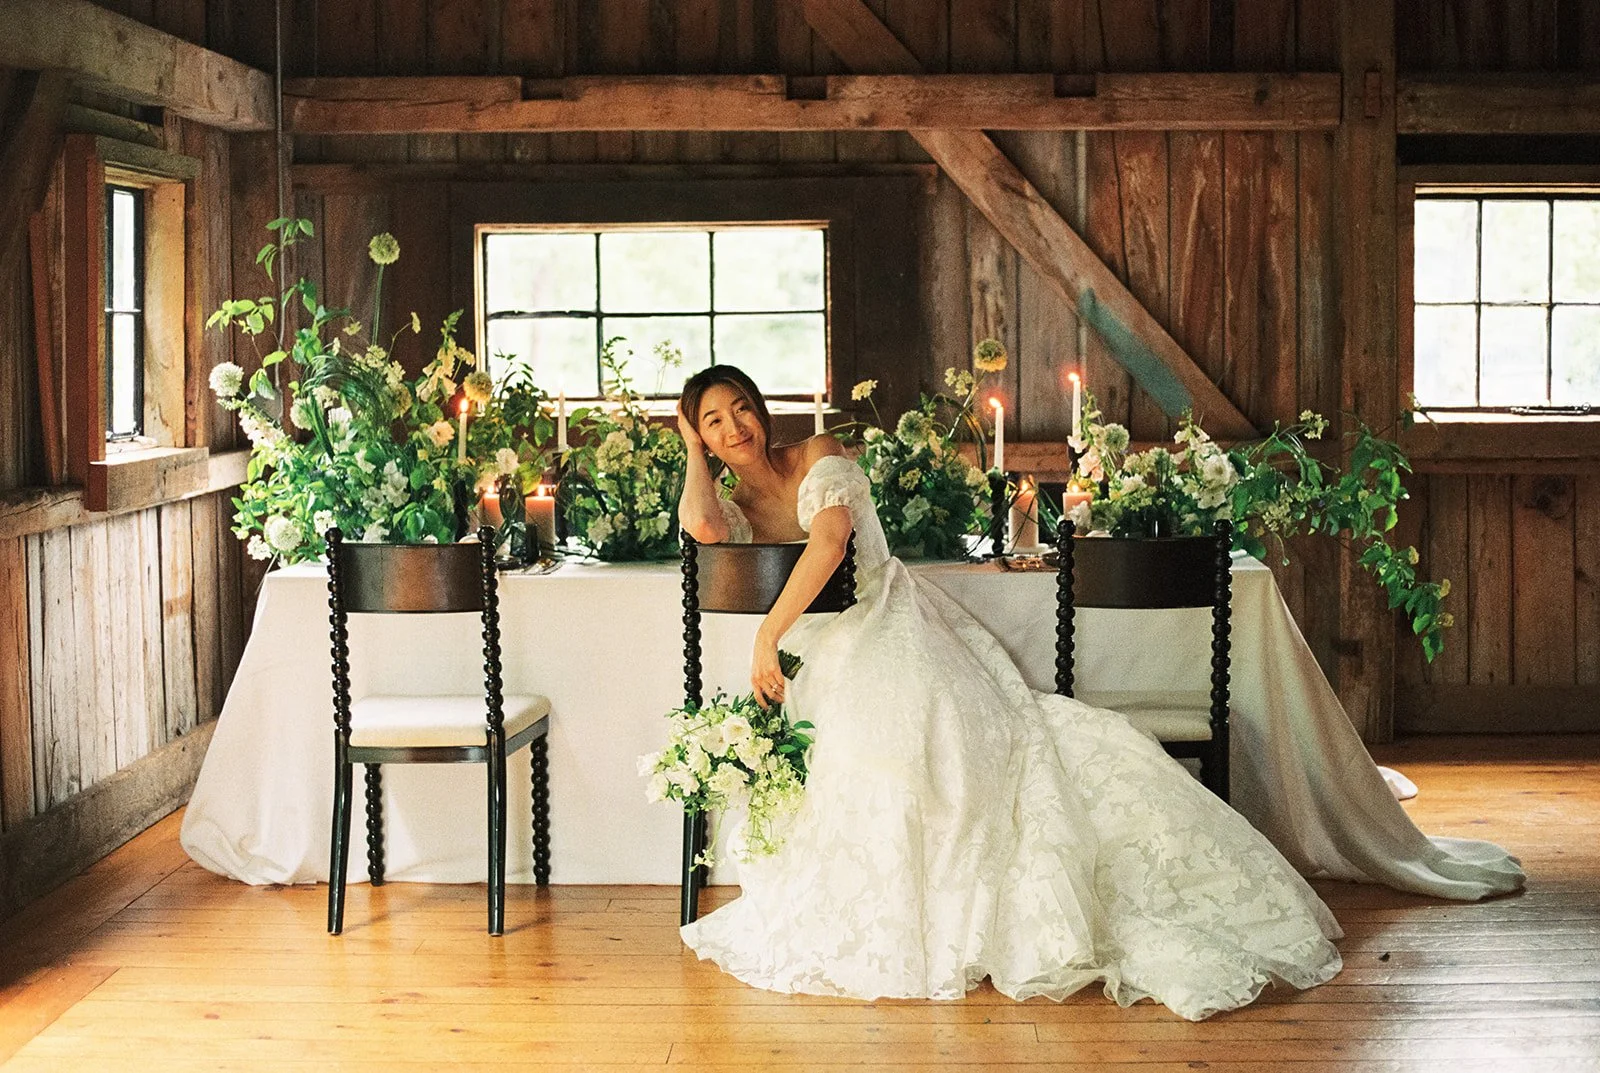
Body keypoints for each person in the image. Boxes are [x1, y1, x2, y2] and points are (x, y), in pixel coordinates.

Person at [673, 365, 1342, 1021]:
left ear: (760, 408)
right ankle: (890, 906)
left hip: (881, 616)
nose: (735, 426)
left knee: (907, 721)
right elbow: (703, 527)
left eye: (740, 408)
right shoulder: (733, 500)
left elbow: (831, 540)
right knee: (844, 724)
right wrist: (687, 450)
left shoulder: (817, 451)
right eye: (713, 421)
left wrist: (768, 634)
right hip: (817, 645)